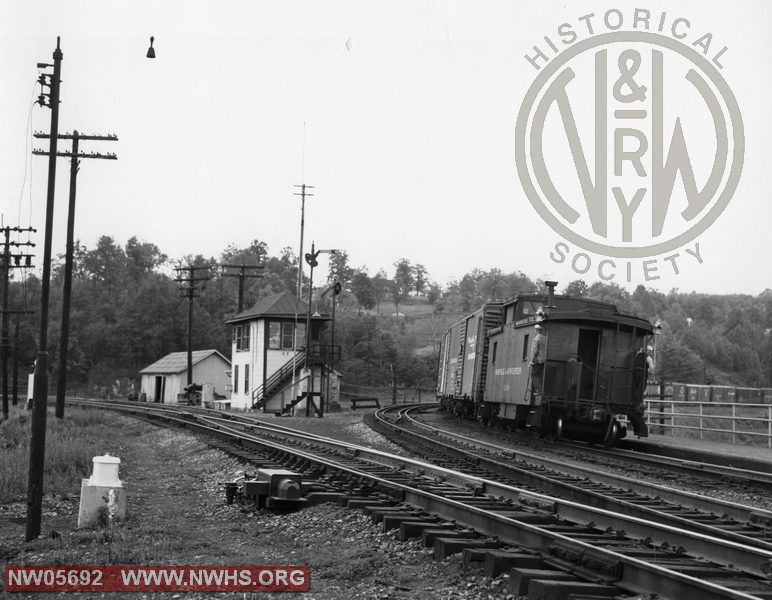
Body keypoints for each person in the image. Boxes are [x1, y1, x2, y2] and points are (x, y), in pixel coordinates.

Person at [529, 324, 546, 403]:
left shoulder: (536, 339)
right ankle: (542, 389)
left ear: (536, 330)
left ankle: (539, 390)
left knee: (534, 374)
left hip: (538, 360)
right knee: (541, 375)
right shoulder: (545, 338)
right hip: (544, 360)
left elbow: (534, 351)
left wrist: (531, 361)